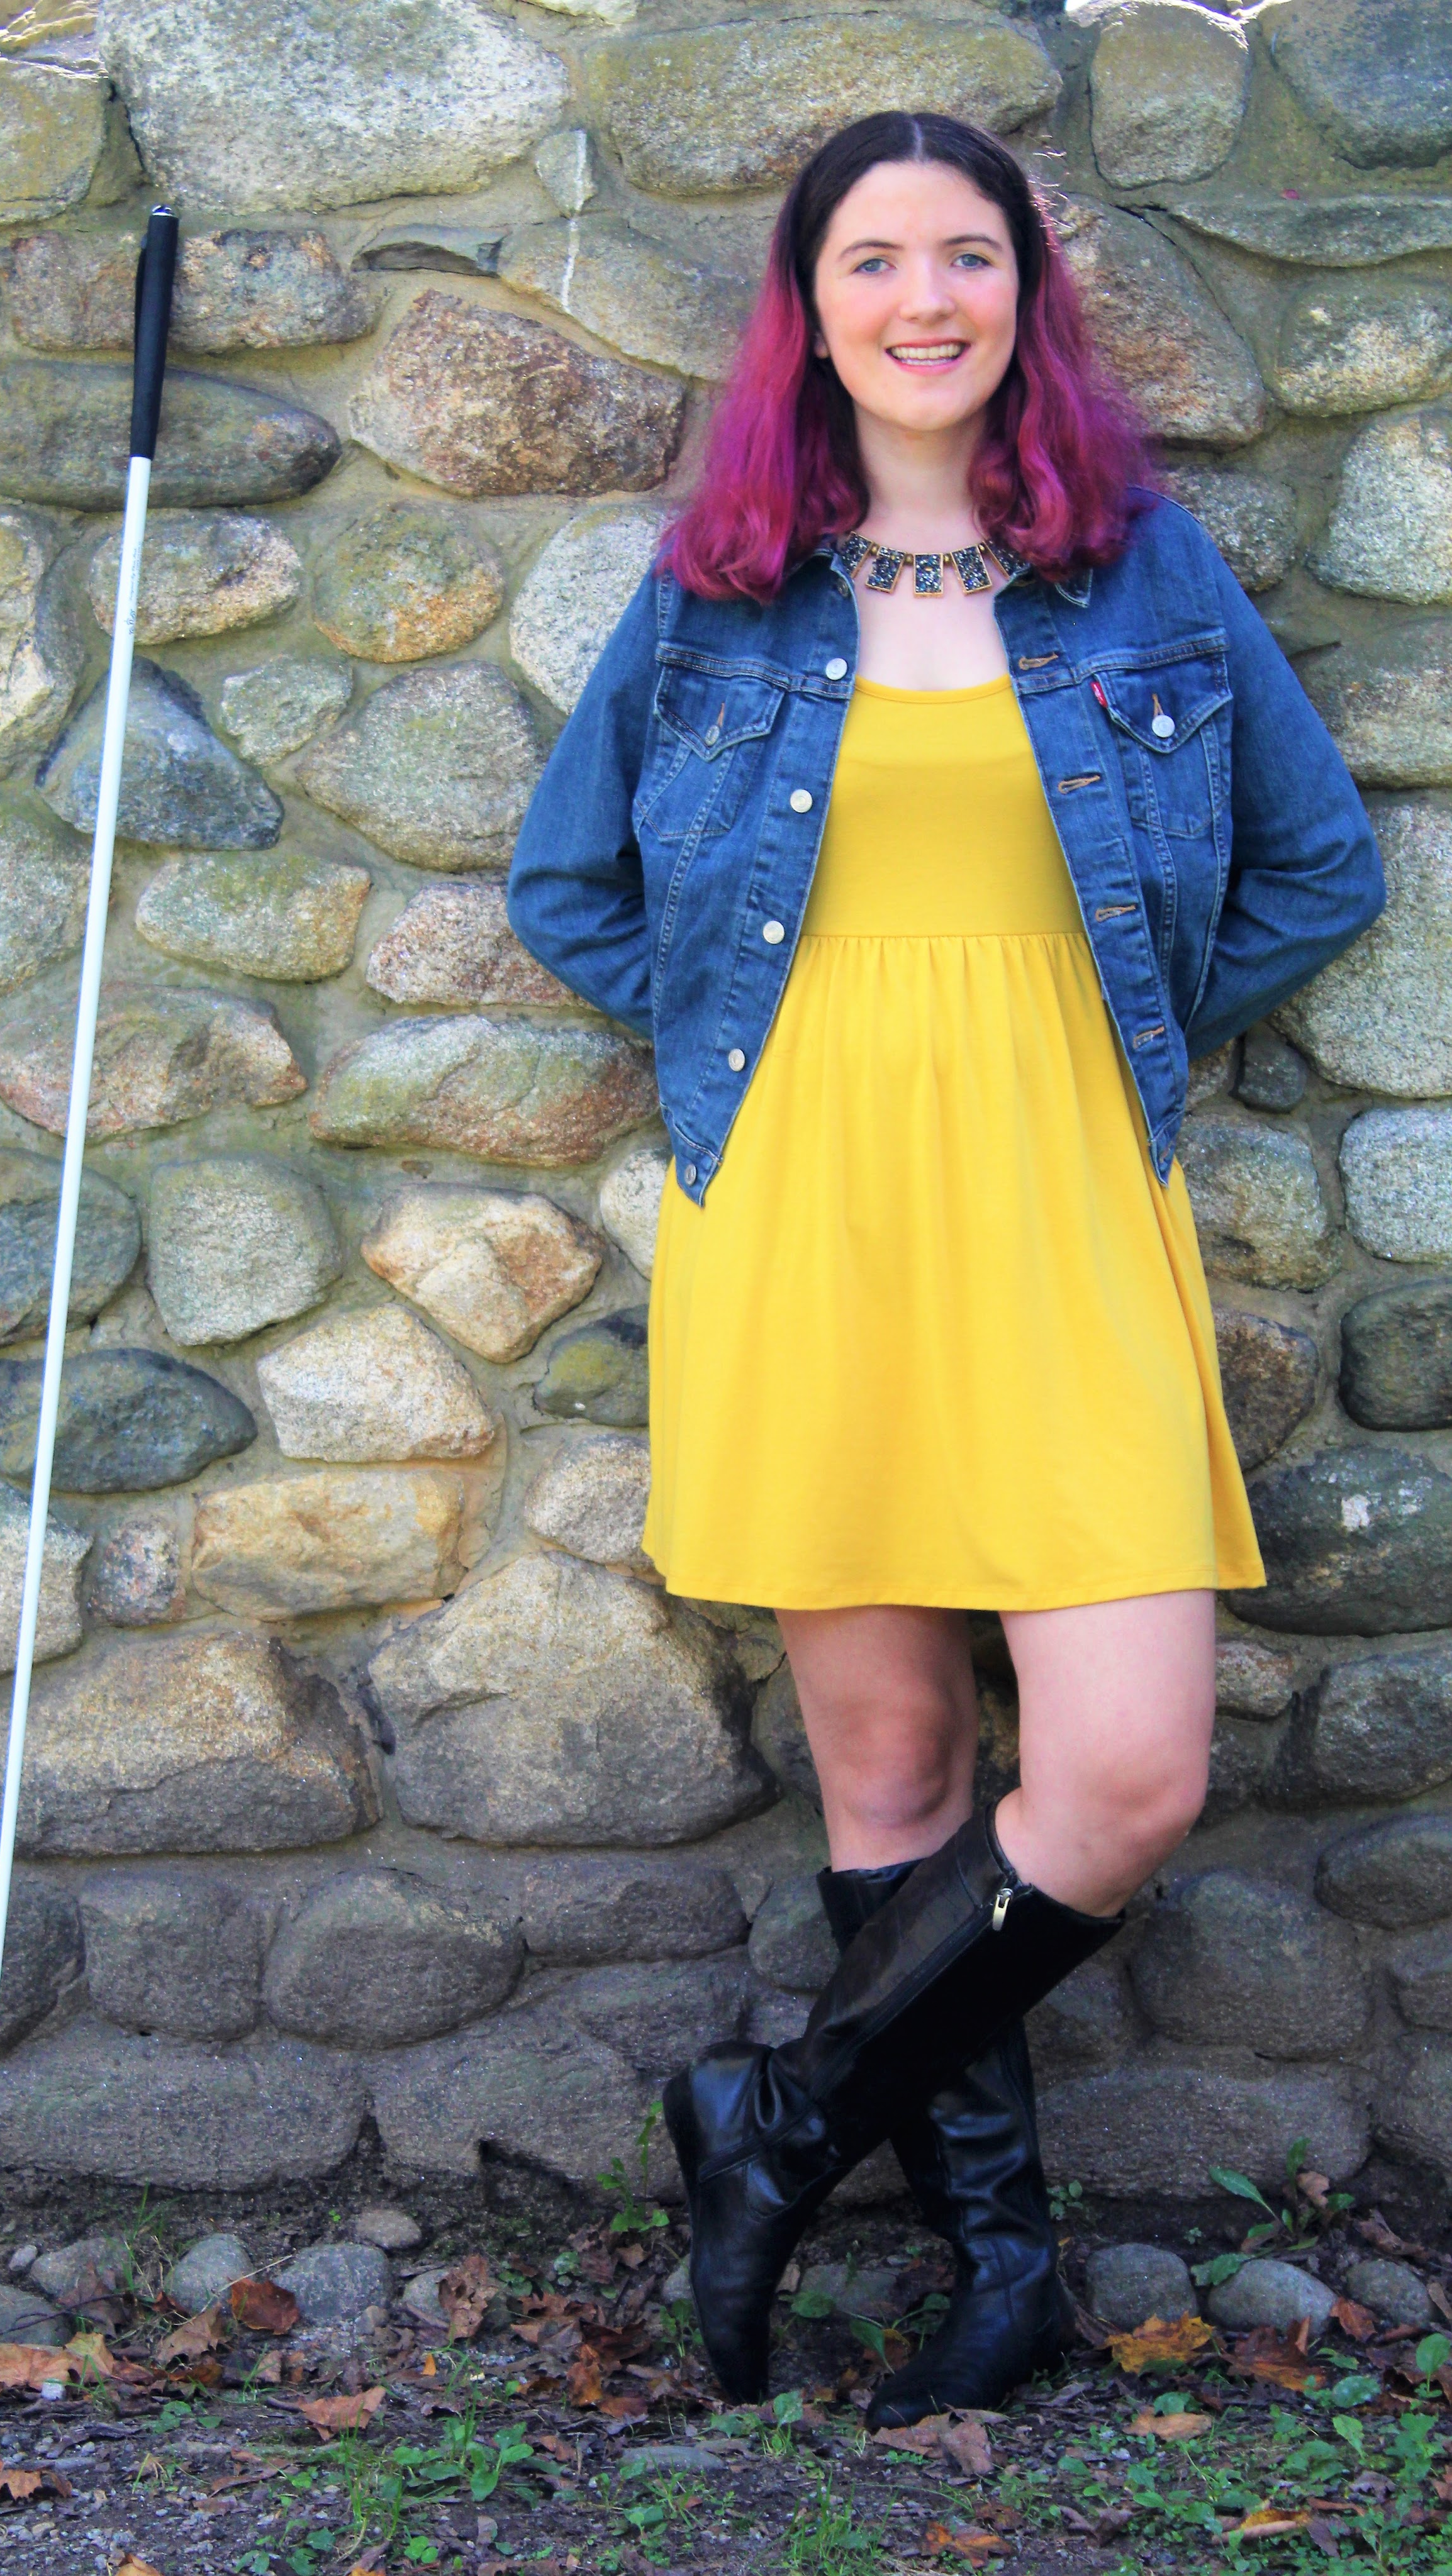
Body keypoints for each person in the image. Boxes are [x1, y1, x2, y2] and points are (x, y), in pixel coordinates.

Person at [504, 111, 1385, 2425]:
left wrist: (1081, 1038)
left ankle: (773, 2125)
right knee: (888, 1772)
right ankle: (997, 2281)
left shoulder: (1142, 575)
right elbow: (566, 883)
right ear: (807, 307)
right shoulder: (720, 589)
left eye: (965, 256)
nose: (923, 298)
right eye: (874, 258)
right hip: (801, 1215)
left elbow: (1312, 871)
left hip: (1068, 1200)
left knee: (1122, 1777)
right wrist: (763, 1070)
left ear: (1024, 297)